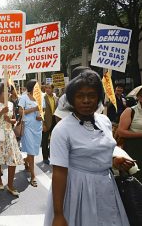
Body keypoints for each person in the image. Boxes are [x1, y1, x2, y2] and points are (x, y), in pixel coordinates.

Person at [44, 70, 133, 226]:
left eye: (91, 95)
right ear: (72, 99)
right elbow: (59, 173)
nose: (86, 100)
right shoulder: (62, 130)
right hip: (78, 191)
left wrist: (114, 161)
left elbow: (100, 152)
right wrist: (58, 214)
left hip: (106, 187)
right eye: (80, 96)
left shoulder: (104, 121)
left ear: (98, 98)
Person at [0, 83, 23, 196]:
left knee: (13, 160)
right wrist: (1, 113)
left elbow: (15, 121)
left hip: (9, 134)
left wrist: (9, 120)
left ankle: (10, 185)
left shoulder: (11, 104)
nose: (7, 93)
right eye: (5, 91)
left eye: (8, 91)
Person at [18, 79, 43, 187]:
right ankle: (33, 176)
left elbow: (42, 111)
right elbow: (20, 112)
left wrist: (40, 115)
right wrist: (34, 109)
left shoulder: (41, 97)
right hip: (27, 127)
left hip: (38, 128)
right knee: (32, 152)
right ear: (32, 87)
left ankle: (25, 160)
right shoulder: (24, 97)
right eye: (37, 86)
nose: (39, 87)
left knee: (33, 151)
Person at [117, 86, 142, 182]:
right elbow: (121, 132)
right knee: (137, 179)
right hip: (134, 149)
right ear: (138, 97)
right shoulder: (130, 111)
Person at [41, 84, 58, 165]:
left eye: (49, 88)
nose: (47, 89)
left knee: (54, 140)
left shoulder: (55, 98)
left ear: (52, 89)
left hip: (55, 121)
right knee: (44, 140)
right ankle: (45, 157)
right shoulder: (43, 98)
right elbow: (41, 112)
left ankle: (50, 153)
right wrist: (43, 124)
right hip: (46, 122)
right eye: (46, 88)